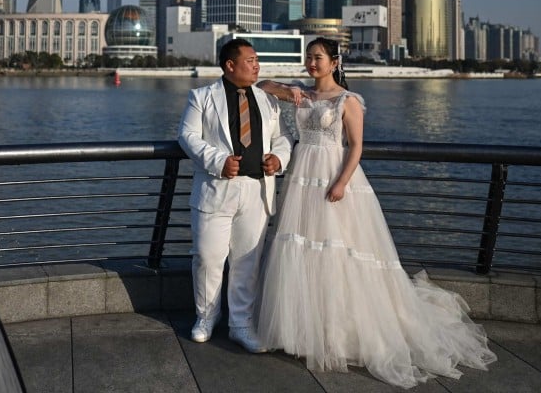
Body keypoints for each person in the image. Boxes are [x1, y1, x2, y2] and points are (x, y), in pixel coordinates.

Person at [256, 37, 497, 388]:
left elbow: (356, 147)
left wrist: (341, 182)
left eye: (319, 58)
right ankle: (302, 329)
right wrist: (290, 87)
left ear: (335, 62)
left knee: (337, 250)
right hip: (301, 179)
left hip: (332, 176)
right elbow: (262, 85)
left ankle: (337, 332)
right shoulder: (302, 94)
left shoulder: (348, 100)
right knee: (300, 247)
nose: (312, 63)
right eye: (309, 57)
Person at [177, 38, 293, 353]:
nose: (257, 66)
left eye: (257, 60)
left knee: (247, 262)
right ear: (230, 65)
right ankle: (206, 317)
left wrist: (279, 158)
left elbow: (283, 136)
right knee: (207, 256)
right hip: (216, 188)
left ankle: (240, 324)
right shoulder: (201, 97)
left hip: (257, 190)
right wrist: (217, 161)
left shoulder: (268, 100)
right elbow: (186, 136)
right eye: (251, 60)